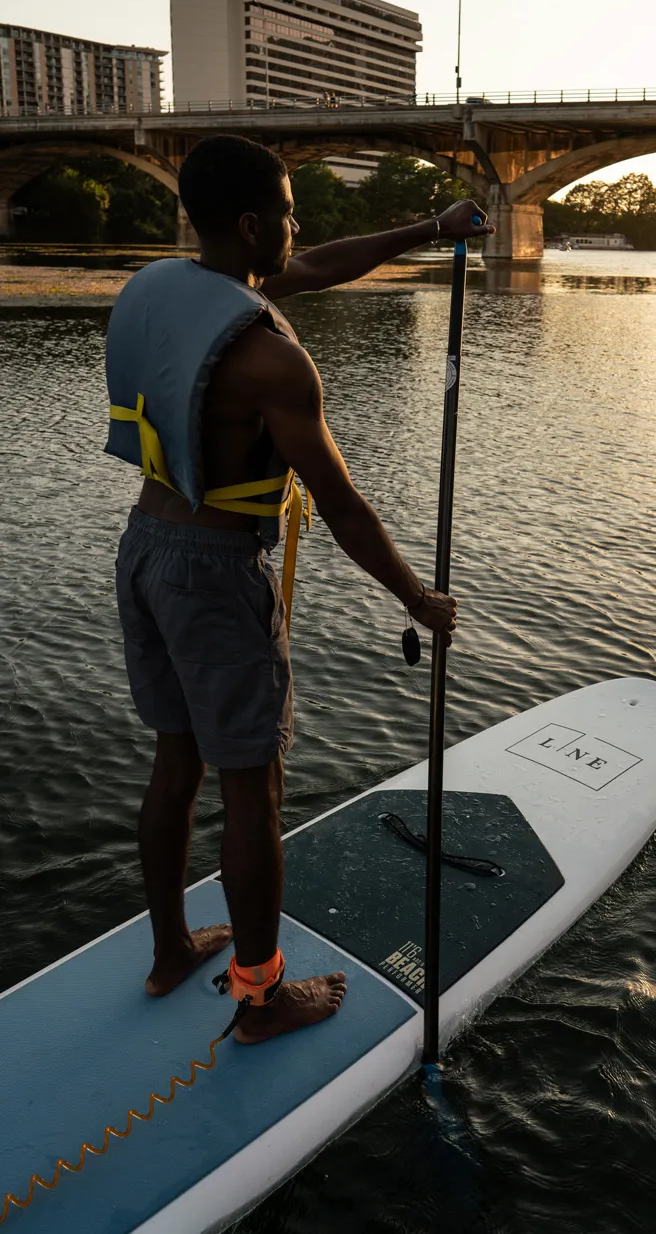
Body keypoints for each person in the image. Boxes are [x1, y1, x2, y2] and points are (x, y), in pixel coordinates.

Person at [106, 135, 492, 1044]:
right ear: (249, 225)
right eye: (285, 208)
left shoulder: (170, 290)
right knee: (254, 790)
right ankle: (260, 997)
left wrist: (431, 228)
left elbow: (314, 267)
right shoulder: (275, 362)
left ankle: (169, 952)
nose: (298, 224)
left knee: (176, 763)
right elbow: (345, 506)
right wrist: (417, 599)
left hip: (144, 550)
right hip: (213, 576)